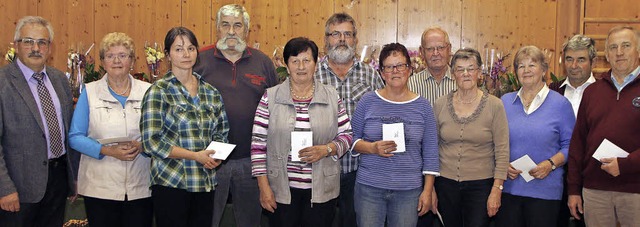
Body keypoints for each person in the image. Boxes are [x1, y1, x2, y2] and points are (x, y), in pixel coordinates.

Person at [251, 37, 353, 227]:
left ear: (316, 64)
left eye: (306, 60)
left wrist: (327, 149)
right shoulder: (270, 97)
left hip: (322, 191)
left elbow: (347, 135)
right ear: (287, 66)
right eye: (294, 61)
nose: (301, 66)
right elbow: (258, 145)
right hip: (281, 191)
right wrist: (264, 187)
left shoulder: (331, 96)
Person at [193, 5, 278, 226]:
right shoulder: (198, 60)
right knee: (205, 220)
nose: (231, 31)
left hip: (251, 162)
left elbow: (276, 108)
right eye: (225, 25)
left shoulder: (263, 62)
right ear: (217, 30)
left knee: (249, 222)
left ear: (247, 31)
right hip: (208, 160)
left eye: (237, 25)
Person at [141, 26, 229, 227]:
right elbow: (151, 143)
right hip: (171, 183)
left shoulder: (211, 92)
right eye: (178, 49)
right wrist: (194, 156)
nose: (186, 54)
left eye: (190, 48)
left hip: (204, 183)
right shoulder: (158, 91)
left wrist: (216, 156)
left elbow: (222, 132)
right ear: (167, 55)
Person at [68, 32, 152, 227]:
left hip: (140, 186)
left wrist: (143, 146)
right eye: (110, 55)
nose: (116, 60)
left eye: (123, 55)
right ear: (102, 62)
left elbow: (159, 133)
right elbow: (75, 137)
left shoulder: (148, 91)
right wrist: (107, 151)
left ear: (132, 60)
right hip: (100, 188)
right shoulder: (89, 92)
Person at [351, 43, 439, 227]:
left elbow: (431, 152)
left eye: (400, 65)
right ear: (382, 73)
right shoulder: (367, 101)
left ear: (409, 69)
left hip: (408, 190)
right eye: (389, 67)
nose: (395, 71)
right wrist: (372, 148)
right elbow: (351, 140)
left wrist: (428, 190)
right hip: (369, 188)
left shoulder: (423, 106)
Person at [0, 16, 76, 227]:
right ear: (16, 45)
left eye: (42, 42)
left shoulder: (59, 79)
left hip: (57, 181)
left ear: (49, 48)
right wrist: (4, 189)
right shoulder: (3, 82)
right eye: (28, 42)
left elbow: (68, 131)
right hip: (18, 188)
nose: (36, 48)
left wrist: (73, 178)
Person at [314, 13, 384, 227]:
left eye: (347, 34)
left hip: (359, 169)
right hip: (320, 167)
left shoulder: (371, 75)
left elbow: (382, 116)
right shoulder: (312, 74)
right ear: (326, 40)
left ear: (355, 39)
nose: (342, 39)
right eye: (336, 34)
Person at [567, 26, 640, 227]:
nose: (619, 52)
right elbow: (578, 144)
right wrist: (574, 189)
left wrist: (625, 165)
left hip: (636, 191)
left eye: (626, 46)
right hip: (595, 191)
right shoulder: (592, 92)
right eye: (613, 47)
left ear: (638, 50)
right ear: (606, 55)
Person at [495, 46, 575, 227]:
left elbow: (571, 145)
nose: (526, 70)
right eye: (521, 66)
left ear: (544, 70)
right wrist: (502, 165)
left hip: (545, 192)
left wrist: (551, 164)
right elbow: (494, 142)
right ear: (516, 72)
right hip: (509, 189)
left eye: (532, 65)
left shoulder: (560, 104)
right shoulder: (505, 102)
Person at [433, 48, 509, 227]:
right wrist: (431, 189)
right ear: (453, 74)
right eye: (460, 69)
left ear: (479, 72)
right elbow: (432, 148)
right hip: (445, 185)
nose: (466, 74)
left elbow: (502, 151)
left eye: (471, 68)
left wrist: (497, 189)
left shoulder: (495, 105)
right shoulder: (440, 104)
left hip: (481, 186)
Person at [548, 34, 596, 227]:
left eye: (581, 59)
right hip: (557, 172)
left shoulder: (603, 91)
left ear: (592, 61)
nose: (574, 65)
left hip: (590, 173)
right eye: (569, 59)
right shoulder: (552, 91)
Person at [408, 27, 457, 107]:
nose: (435, 53)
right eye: (430, 49)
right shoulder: (410, 85)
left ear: (449, 49)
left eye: (440, 48)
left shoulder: (460, 83)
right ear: (422, 52)